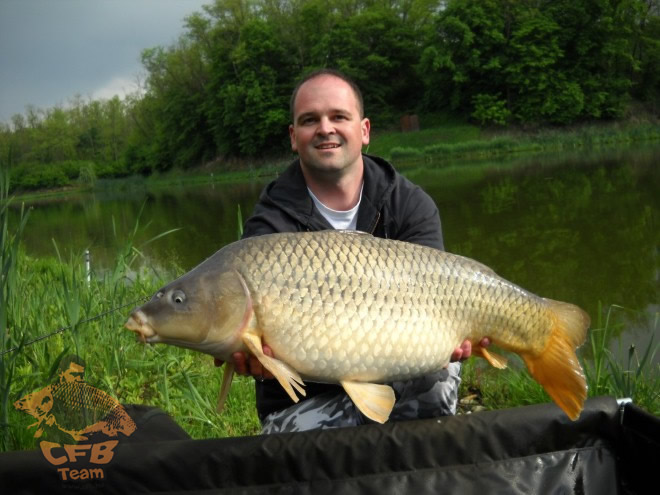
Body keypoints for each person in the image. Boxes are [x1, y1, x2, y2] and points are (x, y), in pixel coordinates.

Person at [215, 69, 489, 433]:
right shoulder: (268, 230)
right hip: (305, 399)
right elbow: (262, 350)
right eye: (310, 120)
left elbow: (440, 305)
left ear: (364, 130)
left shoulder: (410, 204)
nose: (325, 128)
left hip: (405, 373)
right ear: (294, 137)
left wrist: (447, 343)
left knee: (436, 380)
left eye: (338, 116)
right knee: (300, 448)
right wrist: (251, 356)